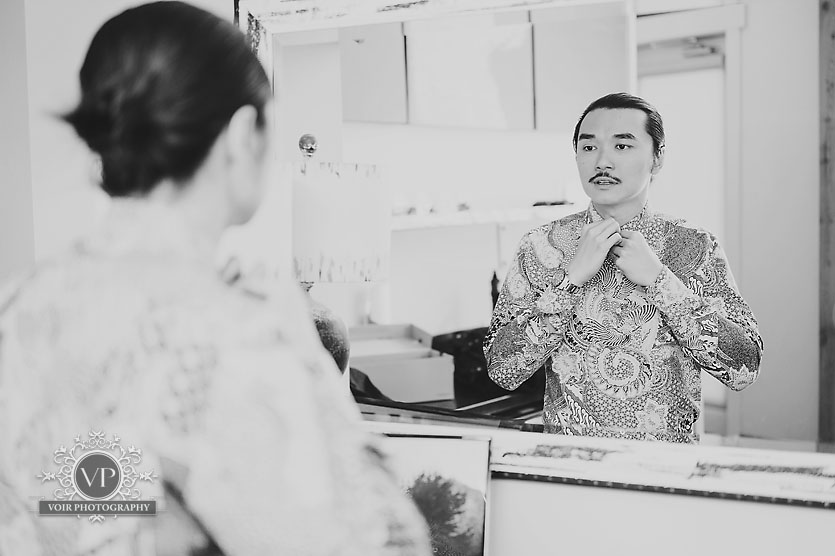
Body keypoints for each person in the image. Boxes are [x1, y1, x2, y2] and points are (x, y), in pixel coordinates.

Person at [0, 3, 430, 555]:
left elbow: (75, 503)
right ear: (243, 133)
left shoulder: (16, 306)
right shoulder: (229, 336)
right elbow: (382, 544)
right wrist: (306, 356)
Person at [484, 92, 763, 443]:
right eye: (589, 147)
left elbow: (743, 369)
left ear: (657, 158)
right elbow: (502, 370)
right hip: (569, 465)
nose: (602, 161)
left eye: (622, 146)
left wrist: (661, 281)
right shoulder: (541, 246)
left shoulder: (694, 245)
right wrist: (570, 282)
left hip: (666, 467)